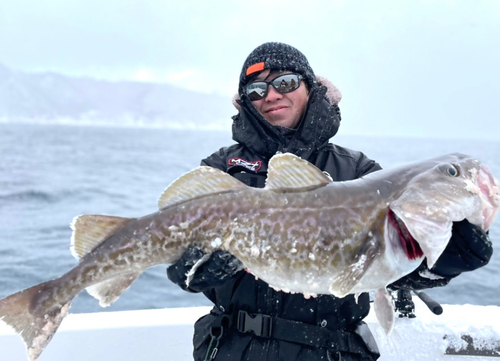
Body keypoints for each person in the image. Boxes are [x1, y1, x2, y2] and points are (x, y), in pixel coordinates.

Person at [167, 42, 493, 361]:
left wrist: (450, 257)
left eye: (285, 82)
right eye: (256, 90)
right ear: (246, 103)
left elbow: (396, 267)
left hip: (332, 350)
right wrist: (188, 268)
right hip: (234, 348)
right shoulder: (221, 169)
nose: (271, 95)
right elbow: (180, 255)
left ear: (310, 88)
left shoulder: (359, 173)